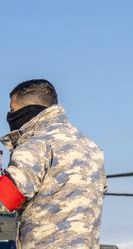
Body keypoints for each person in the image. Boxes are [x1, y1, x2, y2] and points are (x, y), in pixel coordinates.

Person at [0, 79, 105, 248]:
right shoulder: (92, 148)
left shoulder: (37, 144)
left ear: (29, 111)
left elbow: (5, 199)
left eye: (13, 110)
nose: (10, 116)